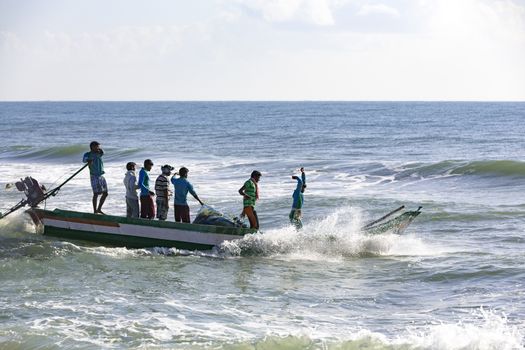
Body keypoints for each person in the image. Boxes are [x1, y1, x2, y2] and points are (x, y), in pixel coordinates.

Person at [82, 141, 108, 214]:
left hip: (101, 176)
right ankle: (95, 211)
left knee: (105, 193)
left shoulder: (99, 153)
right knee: (96, 194)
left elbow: (103, 152)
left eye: (99, 146)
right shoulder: (88, 154)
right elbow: (84, 160)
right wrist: (88, 160)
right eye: (97, 146)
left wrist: (100, 149)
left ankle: (99, 209)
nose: (98, 148)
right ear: (92, 147)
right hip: (94, 176)